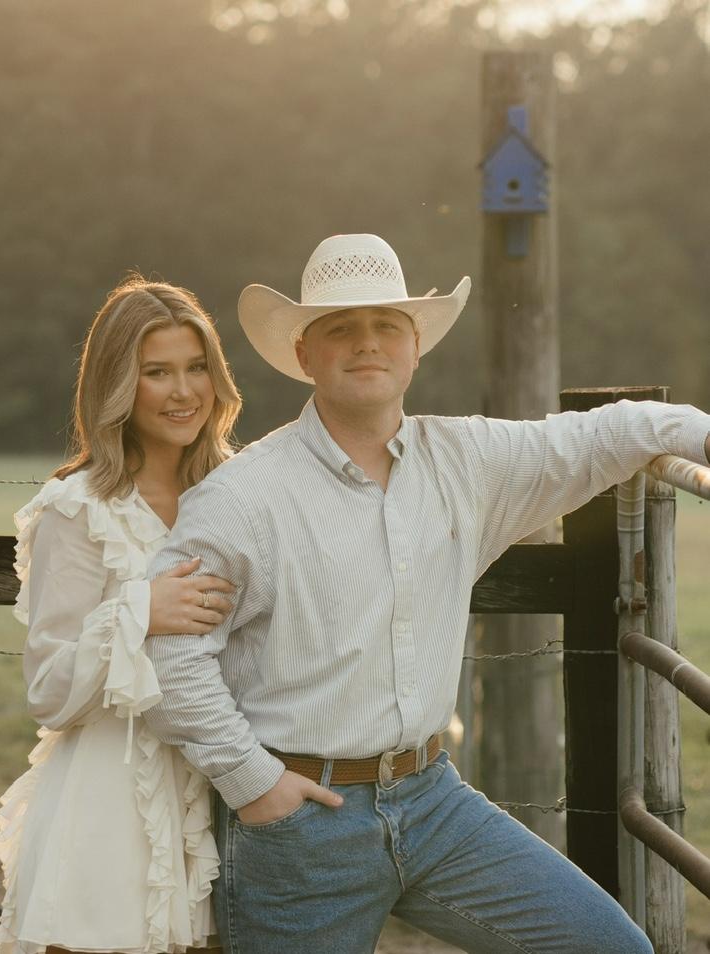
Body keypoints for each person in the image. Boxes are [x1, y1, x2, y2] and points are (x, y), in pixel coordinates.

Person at [142, 233, 710, 954]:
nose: (366, 343)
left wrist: (699, 437)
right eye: (341, 328)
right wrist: (252, 782)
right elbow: (172, 656)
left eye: (387, 325)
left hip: (434, 801)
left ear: (415, 349)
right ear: (304, 354)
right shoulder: (241, 497)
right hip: (301, 821)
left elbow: (599, 436)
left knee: (609, 948)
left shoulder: (465, 458)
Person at [0, 275, 240, 954]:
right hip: (110, 810)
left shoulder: (239, 493)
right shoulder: (79, 510)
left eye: (196, 368)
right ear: (117, 385)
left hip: (224, 793)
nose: (184, 391)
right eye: (157, 372)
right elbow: (49, 690)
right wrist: (139, 611)